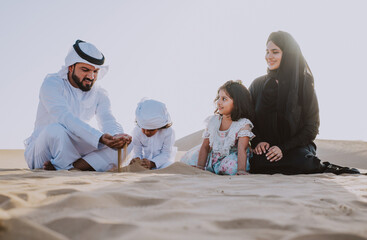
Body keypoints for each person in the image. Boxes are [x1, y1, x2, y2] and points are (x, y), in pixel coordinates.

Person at [249, 31, 359, 175]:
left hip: (295, 148)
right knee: (255, 164)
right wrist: (258, 142)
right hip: (266, 150)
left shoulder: (304, 86)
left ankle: (323, 167)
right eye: (267, 51)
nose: (269, 57)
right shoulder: (258, 85)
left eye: (275, 52)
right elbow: (247, 119)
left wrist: (283, 148)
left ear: (288, 54)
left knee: (301, 160)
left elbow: (311, 127)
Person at [24, 40, 132, 171]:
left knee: (128, 144)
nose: (91, 77)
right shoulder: (52, 83)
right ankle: (77, 166)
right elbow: (64, 117)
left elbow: (108, 119)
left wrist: (117, 136)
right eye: (85, 70)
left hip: (75, 147)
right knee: (56, 130)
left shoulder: (100, 93)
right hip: (43, 149)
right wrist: (100, 138)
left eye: (95, 71)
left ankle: (71, 168)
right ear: (70, 67)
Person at [181, 80, 255, 175]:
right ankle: (210, 167)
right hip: (214, 155)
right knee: (192, 158)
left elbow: (242, 149)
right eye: (218, 98)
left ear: (237, 103)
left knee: (231, 167)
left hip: (232, 156)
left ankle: (221, 169)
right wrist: (200, 167)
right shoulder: (213, 121)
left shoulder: (243, 124)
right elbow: (205, 146)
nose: (219, 102)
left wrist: (241, 171)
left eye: (224, 99)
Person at [129, 99, 176, 169]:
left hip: (162, 163)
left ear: (160, 127)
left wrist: (152, 163)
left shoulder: (168, 132)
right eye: (143, 128)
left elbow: (166, 154)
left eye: (151, 130)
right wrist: (137, 160)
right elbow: (137, 152)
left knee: (170, 168)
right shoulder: (137, 131)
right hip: (143, 164)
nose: (146, 132)